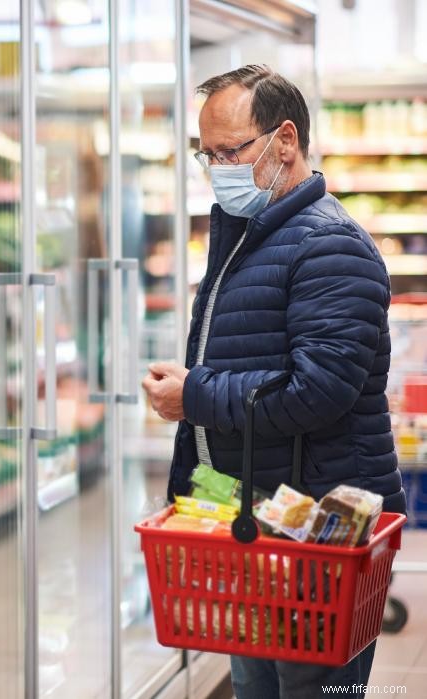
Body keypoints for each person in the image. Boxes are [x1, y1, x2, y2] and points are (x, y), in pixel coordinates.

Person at [141, 64, 405, 699]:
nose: (218, 168)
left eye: (231, 151)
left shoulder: (329, 246)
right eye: (207, 155)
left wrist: (195, 395)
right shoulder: (252, 237)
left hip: (320, 531)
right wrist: (195, 383)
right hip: (261, 521)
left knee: (313, 686)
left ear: (285, 140)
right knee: (255, 682)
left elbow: (319, 390)